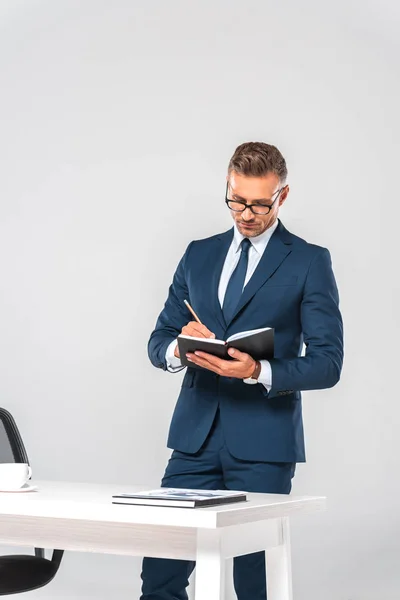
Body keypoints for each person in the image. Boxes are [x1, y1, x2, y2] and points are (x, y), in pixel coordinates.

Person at [140, 141, 344, 600]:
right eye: (236, 200)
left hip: (263, 446)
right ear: (227, 187)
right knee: (161, 575)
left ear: (282, 196)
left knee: (255, 582)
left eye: (259, 203)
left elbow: (328, 363)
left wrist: (258, 371)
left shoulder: (310, 261)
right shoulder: (199, 254)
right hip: (194, 441)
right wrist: (180, 346)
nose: (246, 213)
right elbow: (158, 342)